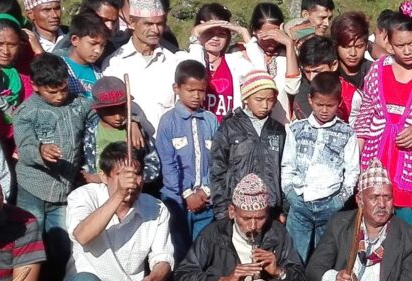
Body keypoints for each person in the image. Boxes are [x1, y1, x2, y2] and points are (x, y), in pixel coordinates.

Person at [277, 159, 412, 281]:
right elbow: (314, 269)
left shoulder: (409, 238)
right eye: (374, 198)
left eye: (387, 197)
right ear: (360, 200)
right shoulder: (340, 224)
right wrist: (335, 279)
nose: (382, 204)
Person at [354, 3, 412, 227]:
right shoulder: (377, 70)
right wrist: (356, 162)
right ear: (388, 42)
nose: (407, 51)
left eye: (411, 43)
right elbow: (365, 118)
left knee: (406, 231)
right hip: (376, 159)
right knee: (372, 228)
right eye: (399, 45)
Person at [61, 142, 173, 281]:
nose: (132, 182)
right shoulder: (83, 196)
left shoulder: (156, 208)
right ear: (104, 177)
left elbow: (163, 259)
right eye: (121, 175)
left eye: (137, 174)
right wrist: (119, 194)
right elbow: (82, 235)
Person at [174, 173, 307, 281]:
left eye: (260, 218)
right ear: (232, 212)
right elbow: (182, 276)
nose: (253, 226)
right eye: (246, 218)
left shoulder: (277, 232)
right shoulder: (212, 234)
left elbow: (301, 279)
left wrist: (278, 272)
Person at [12, 53, 91, 258]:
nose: (59, 96)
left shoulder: (79, 105)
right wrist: (40, 151)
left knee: (62, 246)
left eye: (63, 89)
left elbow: (102, 114)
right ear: (36, 86)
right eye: (52, 91)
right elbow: (25, 146)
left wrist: (133, 120)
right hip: (33, 188)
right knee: (30, 242)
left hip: (64, 191)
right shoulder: (26, 112)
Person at [282, 72, 359, 263]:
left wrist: (339, 200)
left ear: (339, 102)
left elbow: (352, 171)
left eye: (330, 105)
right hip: (300, 202)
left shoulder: (347, 133)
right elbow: (287, 164)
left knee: (323, 260)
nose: (324, 110)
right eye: (319, 105)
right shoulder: (296, 129)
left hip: (330, 204)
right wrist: (290, 192)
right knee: (294, 257)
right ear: (310, 100)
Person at [155, 60, 218, 262]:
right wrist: (187, 194)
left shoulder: (210, 120)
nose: (196, 96)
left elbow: (218, 160)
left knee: (203, 252)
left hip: (206, 201)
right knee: (179, 253)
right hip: (176, 202)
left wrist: (205, 190)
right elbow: (168, 164)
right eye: (190, 90)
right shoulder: (168, 122)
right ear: (177, 88)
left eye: (201, 90)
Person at [210, 70, 286, 220]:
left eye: (270, 100)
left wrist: (284, 209)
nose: (265, 105)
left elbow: (285, 170)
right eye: (259, 99)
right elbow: (217, 169)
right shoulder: (229, 127)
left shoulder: (278, 130)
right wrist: (222, 211)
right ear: (246, 98)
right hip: (239, 209)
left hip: (270, 209)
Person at [101, 0, 177, 132]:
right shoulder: (114, 63)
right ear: (132, 22)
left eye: (159, 24)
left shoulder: (173, 61)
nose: (155, 30)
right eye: (148, 23)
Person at [82, 76, 160, 188]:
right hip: (99, 194)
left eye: (122, 108)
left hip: (133, 193)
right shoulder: (89, 131)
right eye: (110, 111)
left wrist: (130, 178)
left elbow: (153, 168)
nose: (118, 117)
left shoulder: (136, 131)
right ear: (97, 109)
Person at [185, 3, 253, 123]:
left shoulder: (235, 61)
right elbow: (194, 73)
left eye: (221, 34)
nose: (215, 38)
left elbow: (261, 76)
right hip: (198, 131)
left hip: (228, 135)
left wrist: (244, 33)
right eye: (209, 32)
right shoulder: (184, 59)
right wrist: (195, 36)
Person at [244, 3, 301, 125]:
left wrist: (289, 45)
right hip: (248, 129)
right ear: (254, 30)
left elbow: (293, 88)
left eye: (276, 36)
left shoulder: (288, 55)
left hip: (281, 126)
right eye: (266, 36)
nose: (272, 42)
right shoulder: (242, 54)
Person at [62, 11, 108, 98]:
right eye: (93, 43)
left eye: (102, 45)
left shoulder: (99, 74)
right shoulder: (61, 69)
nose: (98, 50)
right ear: (75, 40)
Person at [331, 11, 371, 90]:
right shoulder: (328, 72)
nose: (353, 53)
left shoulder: (375, 72)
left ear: (366, 45)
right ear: (336, 45)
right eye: (346, 47)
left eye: (359, 46)